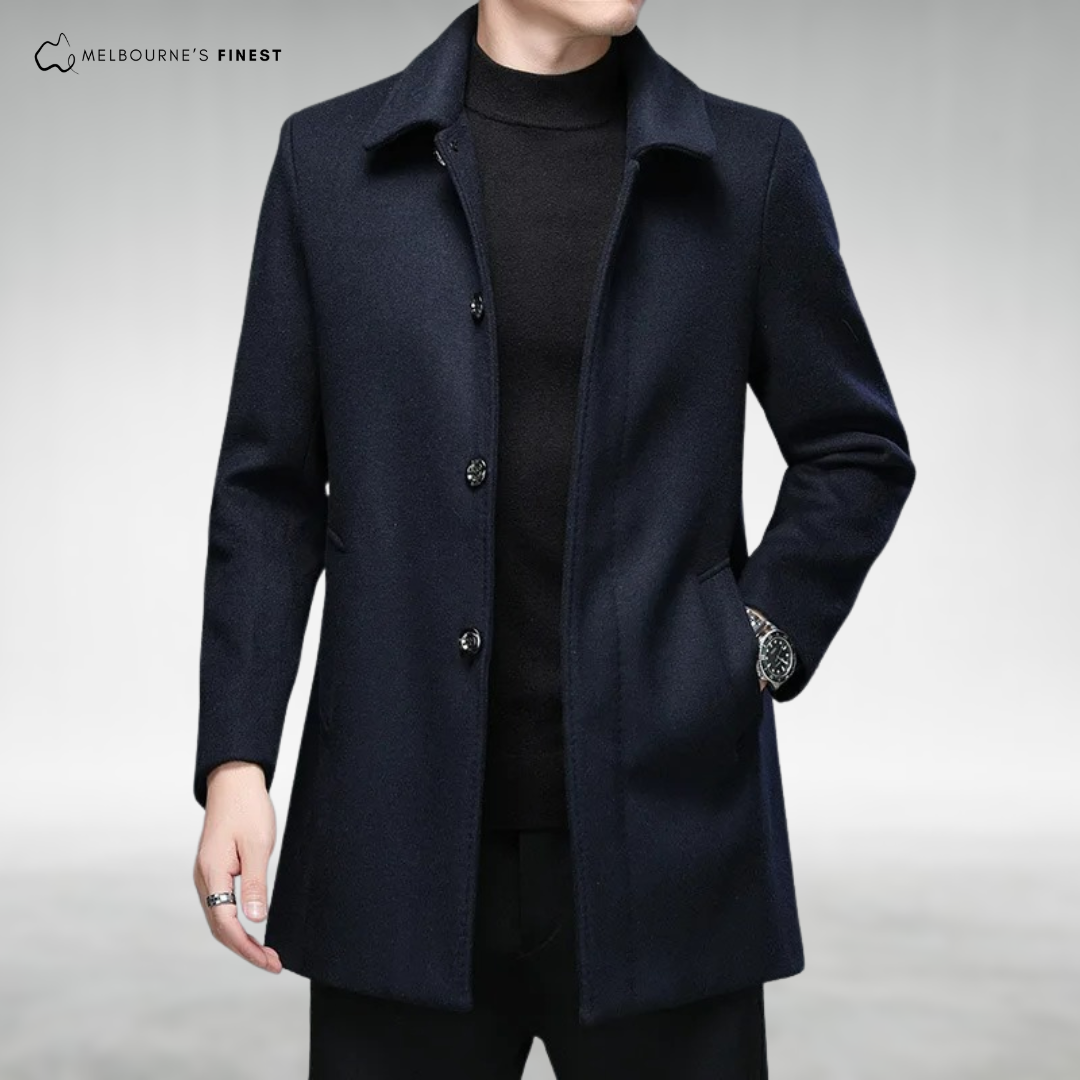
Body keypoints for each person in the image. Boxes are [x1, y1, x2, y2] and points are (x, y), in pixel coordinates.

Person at [192, 1, 916, 1076]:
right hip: (395, 839)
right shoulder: (329, 163)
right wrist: (235, 760)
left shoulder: (748, 165)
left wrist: (750, 644)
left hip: (669, 839)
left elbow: (854, 448)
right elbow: (269, 489)